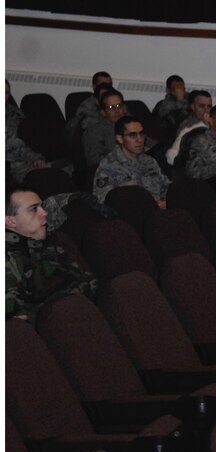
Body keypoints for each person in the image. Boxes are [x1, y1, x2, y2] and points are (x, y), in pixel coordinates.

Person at [6, 187, 98, 322]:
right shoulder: (7, 258)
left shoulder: (50, 241)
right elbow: (20, 320)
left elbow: (86, 280)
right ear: (11, 221)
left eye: (42, 207)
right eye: (33, 209)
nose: (44, 213)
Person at [93, 116, 170, 207]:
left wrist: (167, 202)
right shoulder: (108, 166)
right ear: (120, 139)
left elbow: (166, 188)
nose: (139, 140)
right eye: (132, 135)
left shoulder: (149, 161)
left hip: (159, 213)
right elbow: (104, 203)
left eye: (141, 134)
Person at [6, 80, 47, 182]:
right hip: (12, 165)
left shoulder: (15, 114)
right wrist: (35, 158)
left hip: (27, 158)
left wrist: (38, 158)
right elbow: (12, 143)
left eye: (6, 93)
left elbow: (29, 139)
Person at [82, 89, 128, 167]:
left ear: (124, 108)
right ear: (103, 112)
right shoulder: (95, 131)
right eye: (111, 107)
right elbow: (94, 161)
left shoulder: (131, 125)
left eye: (118, 106)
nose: (117, 110)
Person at [165, 90, 212, 165]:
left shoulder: (214, 121)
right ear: (193, 106)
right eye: (202, 106)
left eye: (209, 106)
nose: (206, 111)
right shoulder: (186, 126)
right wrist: (207, 127)